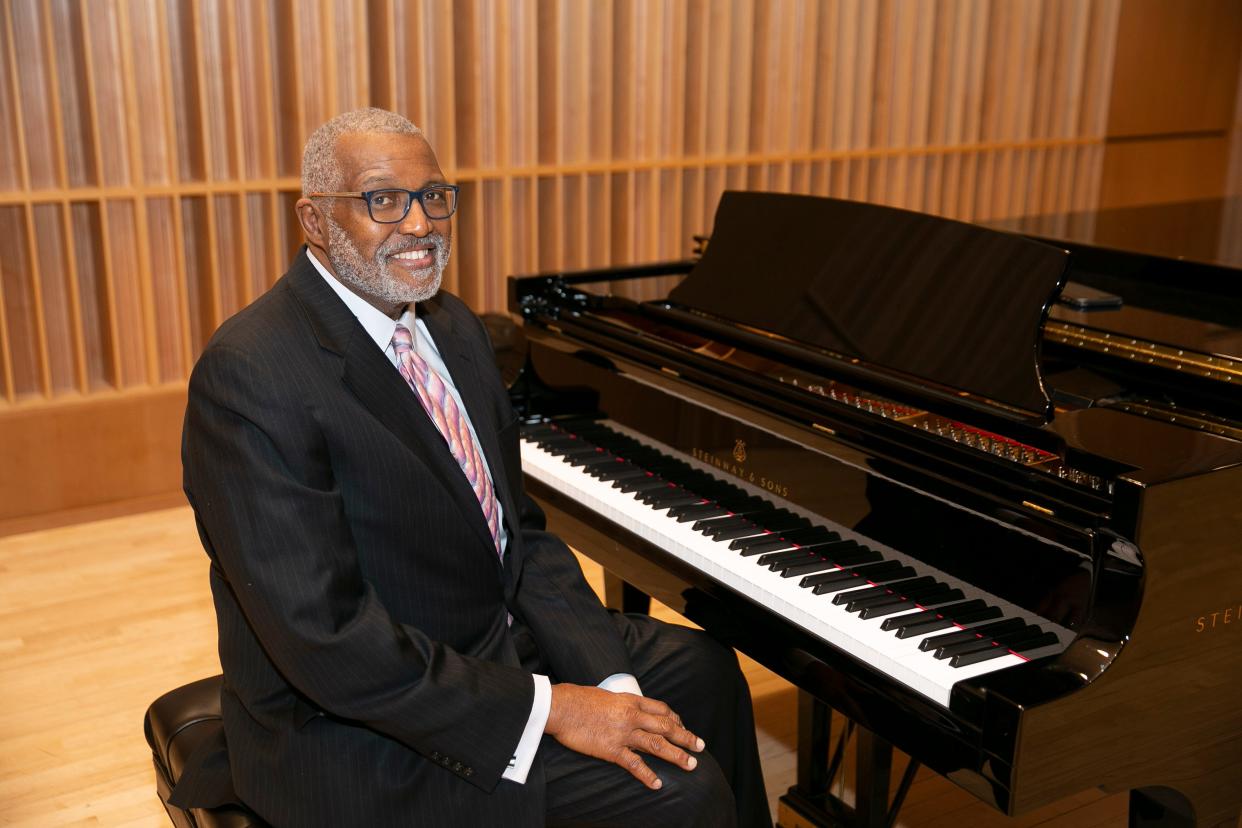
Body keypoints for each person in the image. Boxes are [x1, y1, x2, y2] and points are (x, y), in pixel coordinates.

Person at [174, 107, 770, 827]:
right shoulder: (250, 375)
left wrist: (612, 686)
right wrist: (554, 707)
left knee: (707, 672)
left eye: (435, 196)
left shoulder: (450, 327)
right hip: (354, 730)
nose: (421, 224)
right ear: (314, 219)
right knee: (681, 795)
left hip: (481, 642)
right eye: (382, 200)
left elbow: (518, 533)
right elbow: (326, 642)